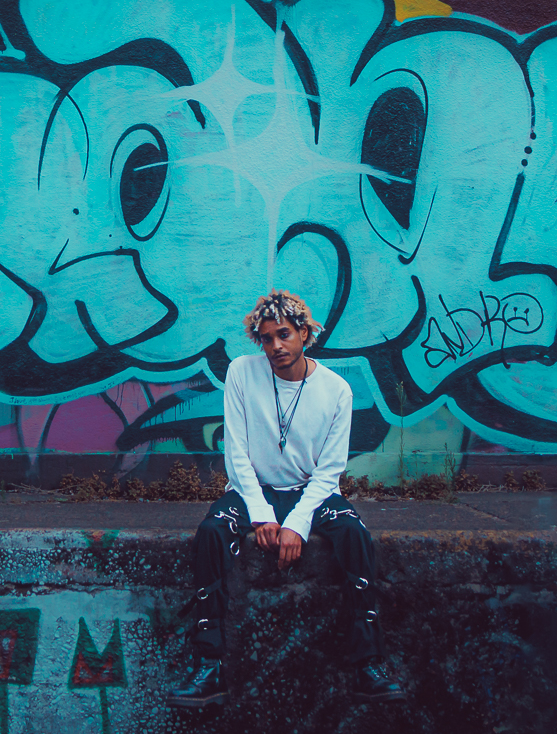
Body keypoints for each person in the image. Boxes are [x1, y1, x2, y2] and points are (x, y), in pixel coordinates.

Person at [167, 290, 408, 707]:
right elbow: (237, 455)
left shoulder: (336, 390)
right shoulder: (242, 373)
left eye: (283, 335)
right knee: (210, 534)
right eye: (265, 338)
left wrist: (296, 522)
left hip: (310, 493)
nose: (275, 346)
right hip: (251, 490)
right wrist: (261, 515)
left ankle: (368, 664)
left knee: (354, 535)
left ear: (304, 333)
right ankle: (209, 666)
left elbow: (329, 471)